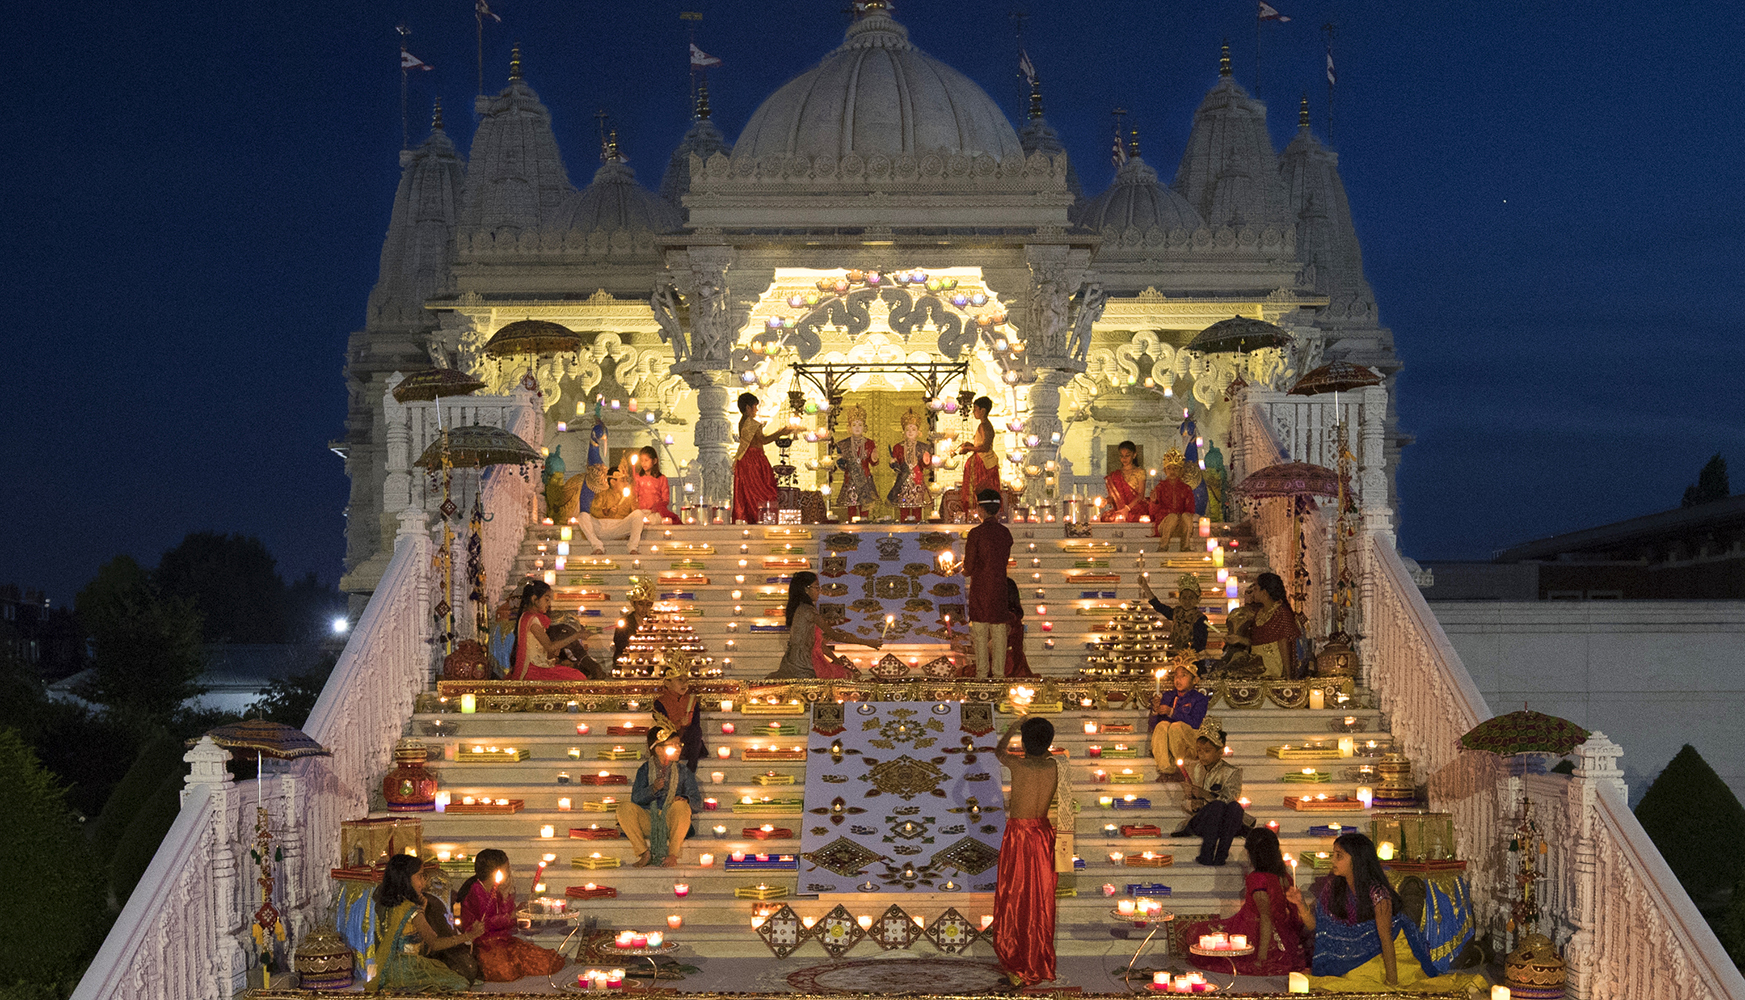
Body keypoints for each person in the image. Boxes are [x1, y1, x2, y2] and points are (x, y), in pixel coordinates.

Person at [1286, 833, 1486, 993]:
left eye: (1340, 855)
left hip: (1388, 951)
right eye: (1334, 854)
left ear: (1357, 860)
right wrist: (1301, 904)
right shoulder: (1334, 888)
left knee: (1356, 980)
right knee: (1341, 978)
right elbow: (1318, 929)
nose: (1333, 860)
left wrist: (1392, 984)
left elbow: (1386, 938)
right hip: (1355, 951)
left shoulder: (1378, 893)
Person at [1183, 826, 1308, 976]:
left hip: (1256, 934)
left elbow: (1266, 917)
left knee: (1196, 932)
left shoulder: (1258, 879)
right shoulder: (1284, 877)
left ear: (1252, 853)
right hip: (1286, 939)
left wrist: (1261, 958)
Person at [992, 714, 1059, 987]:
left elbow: (998, 751)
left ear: (1025, 742)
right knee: (1040, 900)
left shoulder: (1017, 765)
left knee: (1016, 898)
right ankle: (1038, 960)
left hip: (1020, 835)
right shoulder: (1055, 765)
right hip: (1043, 835)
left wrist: (1012, 728)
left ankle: (1019, 959)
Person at [367, 854, 480, 993]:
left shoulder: (385, 906)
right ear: (406, 879)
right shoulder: (411, 910)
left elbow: (414, 940)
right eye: (420, 876)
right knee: (460, 984)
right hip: (409, 969)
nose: (423, 882)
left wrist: (423, 909)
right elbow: (434, 944)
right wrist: (469, 936)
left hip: (390, 969)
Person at [456, 849, 566, 982]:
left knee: (548, 961)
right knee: (506, 972)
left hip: (502, 941)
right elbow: (484, 925)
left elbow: (507, 920)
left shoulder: (496, 889)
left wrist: (510, 900)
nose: (509, 872)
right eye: (507, 869)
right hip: (482, 946)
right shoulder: (475, 891)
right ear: (495, 872)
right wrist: (511, 915)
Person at [616, 726, 703, 868]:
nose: (679, 748)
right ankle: (644, 853)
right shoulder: (645, 769)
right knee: (623, 808)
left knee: (681, 807)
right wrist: (653, 789)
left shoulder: (683, 771)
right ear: (658, 749)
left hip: (672, 822)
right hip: (649, 819)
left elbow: (697, 802)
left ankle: (672, 854)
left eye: (679, 744)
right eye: (673, 745)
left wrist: (685, 799)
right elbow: (636, 799)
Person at [766, 571, 878, 679]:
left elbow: (818, 644)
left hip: (798, 661)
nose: (819, 591)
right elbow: (835, 635)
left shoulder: (802, 609)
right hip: (804, 665)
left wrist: (834, 658)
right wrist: (866, 642)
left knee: (843, 671)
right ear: (806, 589)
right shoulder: (807, 611)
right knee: (848, 675)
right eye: (816, 587)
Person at [1171, 719, 1251, 866]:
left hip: (1225, 823)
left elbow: (1230, 798)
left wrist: (1204, 794)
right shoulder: (1193, 768)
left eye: (1207, 751)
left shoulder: (1231, 772)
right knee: (1216, 807)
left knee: (1235, 808)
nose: (1202, 755)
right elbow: (1185, 802)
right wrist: (1192, 801)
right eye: (1199, 751)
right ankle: (1206, 853)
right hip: (1202, 821)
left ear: (1220, 752)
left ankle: (1221, 854)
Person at [962, 488, 1013, 679]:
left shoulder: (976, 534)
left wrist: (960, 570)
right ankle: (999, 675)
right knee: (999, 632)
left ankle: (982, 674)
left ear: (981, 510)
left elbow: (968, 567)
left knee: (980, 632)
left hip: (981, 588)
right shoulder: (1005, 533)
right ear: (998, 510)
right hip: (999, 586)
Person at [509, 580, 588, 681]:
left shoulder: (527, 617)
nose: (549, 604)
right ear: (534, 599)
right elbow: (550, 647)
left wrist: (554, 653)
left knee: (575, 673)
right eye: (546, 600)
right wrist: (577, 635)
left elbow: (546, 651)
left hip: (537, 666)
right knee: (578, 677)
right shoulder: (532, 620)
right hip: (534, 670)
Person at [1148, 660, 1209, 781]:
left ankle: (1180, 768)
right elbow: (1155, 726)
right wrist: (1156, 711)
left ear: (1195, 680)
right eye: (1176, 675)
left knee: (1176, 727)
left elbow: (1195, 723)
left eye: (1184, 675)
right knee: (1162, 726)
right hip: (1171, 740)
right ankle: (1166, 769)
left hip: (1189, 741)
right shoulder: (1168, 696)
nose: (1178, 679)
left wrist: (1172, 712)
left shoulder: (1199, 699)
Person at [579, 460, 647, 555]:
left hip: (620, 526)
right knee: (583, 516)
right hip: (601, 527)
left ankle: (632, 547)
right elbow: (594, 511)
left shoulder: (629, 497)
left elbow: (635, 512)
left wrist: (635, 497)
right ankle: (597, 546)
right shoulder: (601, 495)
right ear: (613, 482)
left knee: (639, 514)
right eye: (622, 480)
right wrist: (606, 511)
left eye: (626, 480)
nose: (625, 483)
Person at [732, 392, 779, 523]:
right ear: (748, 408)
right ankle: (761, 518)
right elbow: (763, 440)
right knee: (762, 492)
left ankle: (748, 519)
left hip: (745, 460)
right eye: (755, 406)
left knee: (747, 493)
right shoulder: (751, 423)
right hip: (754, 460)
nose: (757, 410)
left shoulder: (742, 422)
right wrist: (781, 432)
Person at [1139, 572, 1209, 656]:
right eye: (1184, 598)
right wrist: (1145, 587)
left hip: (1191, 660)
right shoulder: (1176, 613)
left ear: (1198, 599)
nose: (1187, 601)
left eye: (1191, 598)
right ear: (1179, 599)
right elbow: (1158, 606)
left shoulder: (1200, 619)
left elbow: (1200, 644)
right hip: (1174, 656)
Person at [1249, 572, 1302, 679]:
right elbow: (1256, 642)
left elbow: (1283, 642)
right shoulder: (1258, 614)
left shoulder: (1281, 612)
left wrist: (1288, 675)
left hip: (1275, 672)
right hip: (1257, 671)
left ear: (1264, 592)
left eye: (1255, 589)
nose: (1252, 593)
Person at [955, 396, 1001, 518]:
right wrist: (970, 446)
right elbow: (980, 445)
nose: (974, 412)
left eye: (976, 409)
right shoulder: (983, 425)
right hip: (982, 460)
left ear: (983, 410)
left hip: (983, 463)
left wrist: (968, 449)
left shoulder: (985, 425)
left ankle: (976, 514)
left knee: (979, 489)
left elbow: (985, 447)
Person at [653, 668, 707, 772]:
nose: (684, 684)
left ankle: (690, 770)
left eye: (686, 680)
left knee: (695, 731)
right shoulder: (660, 702)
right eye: (679, 680)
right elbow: (662, 726)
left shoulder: (692, 701)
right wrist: (679, 724)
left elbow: (696, 724)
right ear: (667, 683)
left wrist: (686, 725)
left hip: (687, 743)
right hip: (669, 740)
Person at [832, 405, 879, 520]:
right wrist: (840, 461)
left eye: (860, 425)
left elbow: (873, 463)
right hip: (850, 479)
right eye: (854, 425)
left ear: (864, 427)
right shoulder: (843, 445)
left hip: (865, 479)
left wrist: (874, 458)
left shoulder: (869, 443)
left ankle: (865, 529)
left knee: (865, 508)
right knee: (852, 507)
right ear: (849, 427)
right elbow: (842, 465)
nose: (857, 428)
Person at [888, 409, 933, 522]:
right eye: (908, 429)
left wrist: (927, 460)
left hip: (917, 482)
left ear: (918, 431)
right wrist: (893, 464)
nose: (910, 431)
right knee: (904, 511)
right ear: (903, 431)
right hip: (903, 483)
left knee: (917, 510)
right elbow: (896, 465)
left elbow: (926, 465)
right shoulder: (898, 447)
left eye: (913, 429)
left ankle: (917, 533)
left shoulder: (923, 447)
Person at [1149, 448, 1196, 550]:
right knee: (1172, 517)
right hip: (1164, 525)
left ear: (1180, 470)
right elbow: (1152, 512)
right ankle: (1163, 546)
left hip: (1180, 525)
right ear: (1165, 470)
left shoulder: (1186, 489)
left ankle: (1185, 547)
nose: (1172, 471)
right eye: (1169, 468)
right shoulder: (1160, 488)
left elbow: (1190, 509)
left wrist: (1184, 515)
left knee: (1187, 517)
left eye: (1175, 468)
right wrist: (1153, 501)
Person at [1103, 440, 1149, 521]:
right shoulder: (1115, 475)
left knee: (1134, 518)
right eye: (1121, 456)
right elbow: (1113, 497)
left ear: (1134, 455)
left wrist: (1127, 508)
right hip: (1120, 509)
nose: (1124, 459)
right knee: (1107, 518)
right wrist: (1105, 501)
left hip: (1135, 508)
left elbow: (1141, 495)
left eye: (1127, 455)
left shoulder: (1140, 472)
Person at [632, 446, 679, 524]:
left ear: (654, 461)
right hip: (641, 512)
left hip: (655, 513)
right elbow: (634, 495)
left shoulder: (661, 479)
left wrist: (657, 506)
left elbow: (665, 499)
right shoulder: (638, 478)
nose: (643, 463)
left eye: (646, 460)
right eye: (641, 461)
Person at [1002, 577, 1038, 678]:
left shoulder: (1008, 619)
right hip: (1015, 662)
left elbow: (995, 648)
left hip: (1007, 665)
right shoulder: (1015, 617)